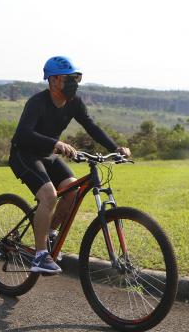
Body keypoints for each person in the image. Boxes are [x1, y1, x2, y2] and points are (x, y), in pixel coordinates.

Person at [9, 56, 131, 274]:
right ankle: (39, 256)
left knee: (73, 190)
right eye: (70, 78)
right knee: (49, 196)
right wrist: (55, 143)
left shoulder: (75, 103)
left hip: (48, 155)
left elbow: (91, 127)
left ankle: (49, 233)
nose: (75, 83)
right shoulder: (37, 102)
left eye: (77, 78)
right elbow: (23, 133)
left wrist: (116, 148)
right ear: (53, 80)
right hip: (24, 154)